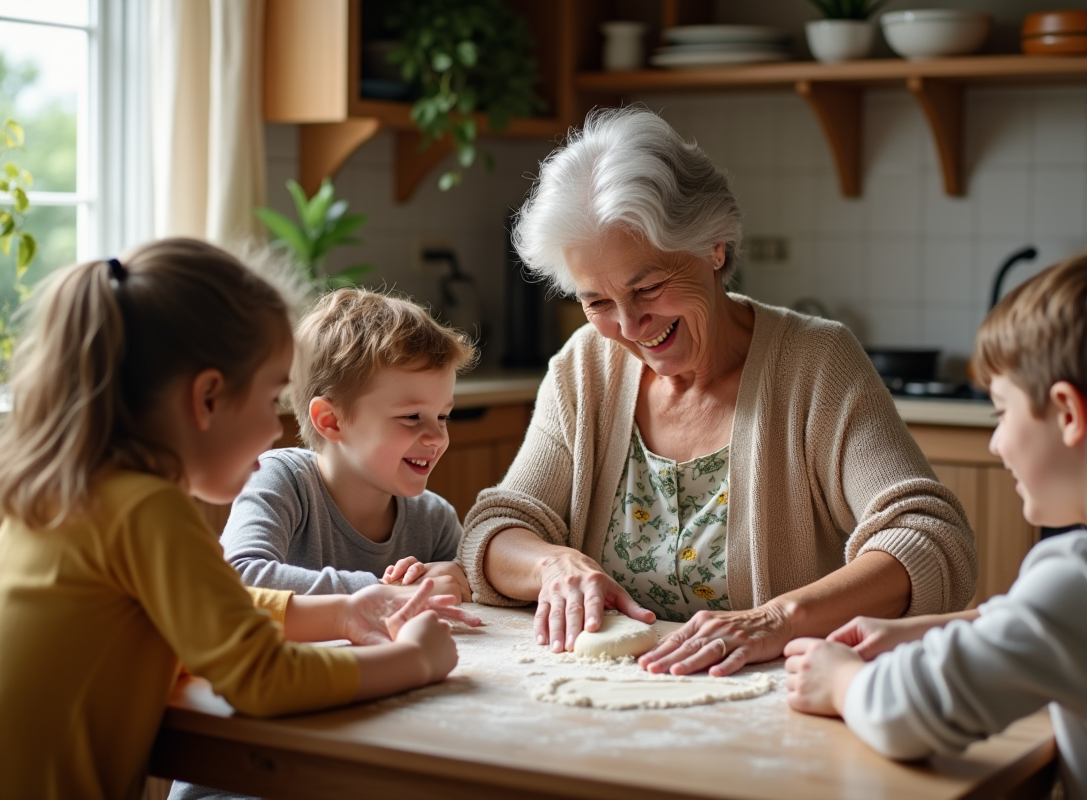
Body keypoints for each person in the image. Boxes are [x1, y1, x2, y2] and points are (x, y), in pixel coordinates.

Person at [459, 106, 978, 677]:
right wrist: (553, 566)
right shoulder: (587, 366)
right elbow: (494, 530)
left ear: (715, 247)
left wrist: (777, 619)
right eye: (597, 302)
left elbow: (930, 538)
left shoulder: (815, 363)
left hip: (780, 705)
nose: (630, 328)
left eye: (649, 287)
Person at [0, 240, 469, 800]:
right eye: (271, 398)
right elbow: (261, 679)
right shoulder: (145, 509)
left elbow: (215, 604)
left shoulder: (80, 495)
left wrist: (342, 611)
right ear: (207, 399)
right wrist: (414, 660)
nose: (278, 429)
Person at [784, 237, 1087, 799]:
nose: (998, 444)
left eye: (1001, 412)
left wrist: (840, 681)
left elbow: (907, 715)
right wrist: (917, 630)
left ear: (1069, 413)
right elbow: (1064, 629)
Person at [216, 288, 477, 602]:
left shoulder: (433, 520)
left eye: (443, 416)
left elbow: (473, 587)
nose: (436, 437)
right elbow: (237, 577)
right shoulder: (282, 482)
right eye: (411, 416)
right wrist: (385, 593)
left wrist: (455, 578)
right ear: (330, 421)